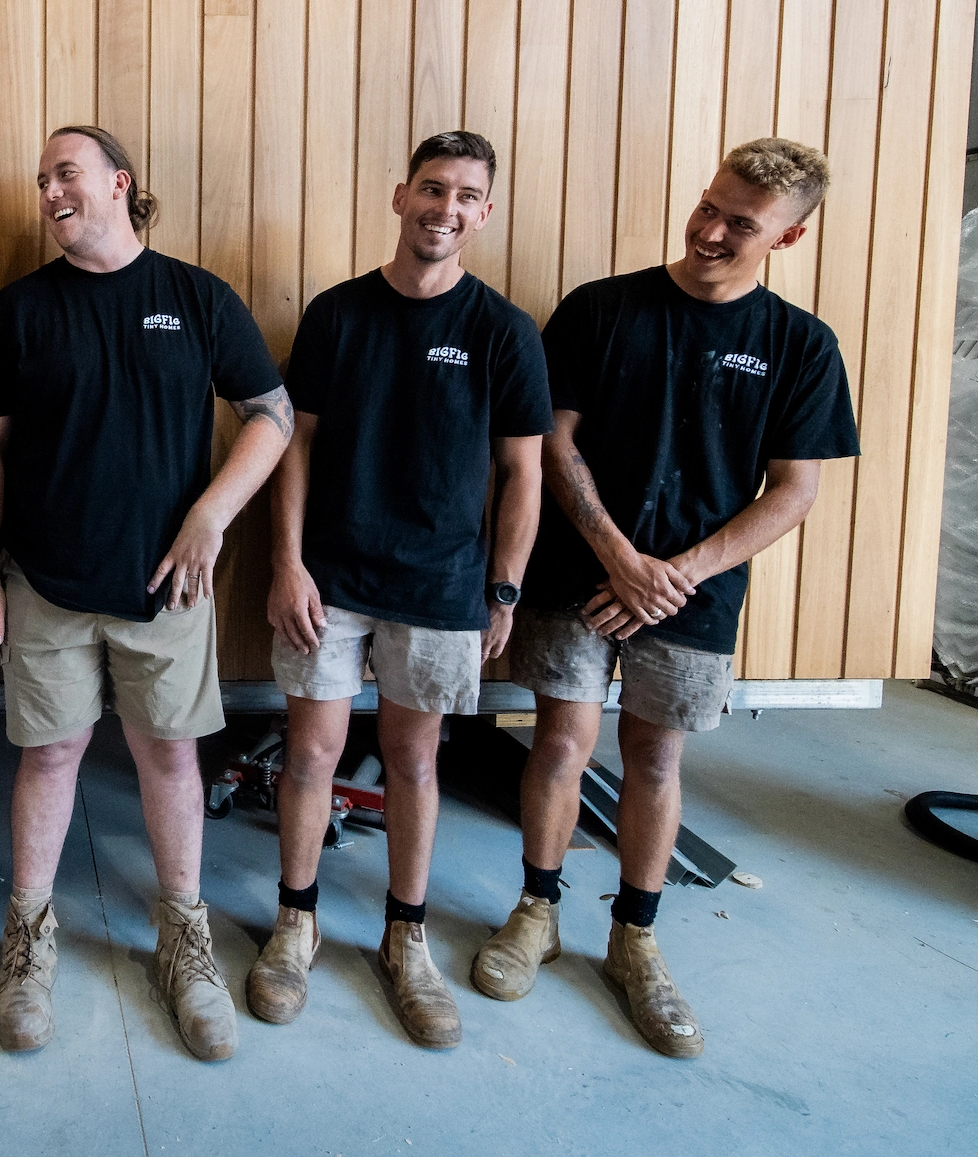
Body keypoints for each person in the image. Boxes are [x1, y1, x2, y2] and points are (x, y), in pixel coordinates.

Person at [478, 138, 859, 1058]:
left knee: (653, 757)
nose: (711, 230)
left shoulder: (801, 345)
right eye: (709, 205)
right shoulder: (603, 309)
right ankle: (536, 910)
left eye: (741, 222)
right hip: (581, 575)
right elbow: (551, 444)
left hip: (693, 593)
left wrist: (669, 576)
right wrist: (617, 555)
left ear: (790, 236)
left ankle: (635, 939)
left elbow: (795, 491)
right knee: (561, 739)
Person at [0, 125, 294, 1061]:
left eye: (65, 173)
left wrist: (213, 515)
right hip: (45, 581)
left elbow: (270, 417)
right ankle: (27, 937)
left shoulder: (194, 295)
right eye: (41, 182)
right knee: (51, 754)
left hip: (168, 585)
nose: (50, 192)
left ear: (120, 183)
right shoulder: (20, 309)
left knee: (168, 757)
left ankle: (181, 937)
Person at [254, 131, 552, 1048]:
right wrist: (287, 561)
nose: (446, 208)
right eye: (432, 189)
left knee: (416, 761)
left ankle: (404, 933)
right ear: (399, 196)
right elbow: (294, 443)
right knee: (312, 754)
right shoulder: (338, 314)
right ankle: (294, 921)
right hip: (330, 580)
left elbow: (523, 472)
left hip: (440, 584)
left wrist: (502, 591)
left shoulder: (502, 331)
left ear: (485, 213)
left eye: (466, 196)